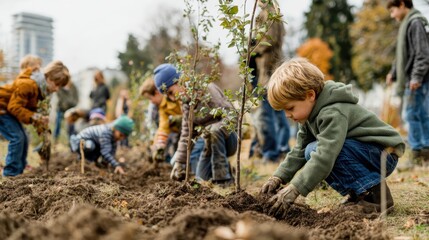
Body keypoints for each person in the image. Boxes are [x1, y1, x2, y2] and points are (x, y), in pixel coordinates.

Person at [260, 58, 405, 215]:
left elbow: (325, 155)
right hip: (364, 152)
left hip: (383, 153)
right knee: (309, 150)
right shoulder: (308, 117)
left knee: (321, 152)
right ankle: (359, 195)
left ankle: (379, 198)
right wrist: (278, 177)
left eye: (290, 108)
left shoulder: (332, 112)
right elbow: (299, 150)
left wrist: (295, 189)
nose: (287, 115)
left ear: (310, 95)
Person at [154, 63, 237, 184]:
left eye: (171, 92)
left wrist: (214, 128)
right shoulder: (187, 104)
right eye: (168, 96)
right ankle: (227, 170)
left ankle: (224, 179)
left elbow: (232, 116)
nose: (172, 99)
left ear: (179, 81)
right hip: (209, 143)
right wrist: (178, 163)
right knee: (201, 180)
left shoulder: (207, 90)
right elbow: (186, 135)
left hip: (229, 139)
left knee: (212, 131)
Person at [0, 59, 70, 177]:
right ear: (48, 78)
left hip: (9, 112)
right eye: (56, 84)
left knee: (24, 138)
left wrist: (42, 126)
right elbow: (14, 107)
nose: (57, 89)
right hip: (2, 110)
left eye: (60, 86)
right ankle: (11, 174)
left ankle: (19, 172)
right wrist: (35, 117)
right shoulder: (29, 85)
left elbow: (31, 112)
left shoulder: (41, 91)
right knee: (17, 138)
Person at [386, 0, 429, 167]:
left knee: (414, 115)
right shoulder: (408, 24)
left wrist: (416, 77)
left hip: (417, 81)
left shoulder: (415, 22)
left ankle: (419, 153)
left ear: (402, 4)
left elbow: (423, 54)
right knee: (418, 114)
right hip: (413, 79)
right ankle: (423, 155)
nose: (392, 15)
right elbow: (404, 55)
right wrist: (394, 73)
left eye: (393, 10)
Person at [249, 0, 290, 163]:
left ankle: (272, 153)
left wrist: (252, 47)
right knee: (278, 113)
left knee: (266, 115)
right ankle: (281, 149)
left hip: (268, 72)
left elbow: (269, 40)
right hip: (271, 70)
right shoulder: (275, 12)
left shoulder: (268, 13)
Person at [69, 115, 134, 174]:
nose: (121, 138)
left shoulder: (113, 136)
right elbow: (105, 152)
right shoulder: (106, 132)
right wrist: (116, 165)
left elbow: (111, 152)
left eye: (124, 137)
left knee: (99, 148)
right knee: (90, 146)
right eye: (121, 135)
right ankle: (85, 161)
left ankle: (93, 163)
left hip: (94, 143)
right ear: (116, 128)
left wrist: (109, 164)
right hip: (80, 142)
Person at [140, 77, 184, 163]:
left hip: (186, 131)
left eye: (150, 98)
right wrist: (158, 145)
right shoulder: (161, 107)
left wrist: (181, 119)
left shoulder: (175, 96)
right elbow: (162, 127)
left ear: (156, 93)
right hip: (177, 133)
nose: (151, 102)